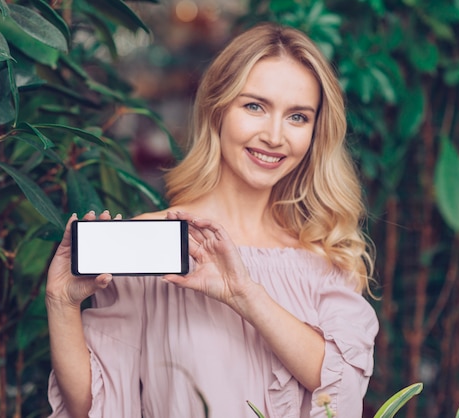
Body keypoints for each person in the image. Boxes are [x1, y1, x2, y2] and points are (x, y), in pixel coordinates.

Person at [45, 22, 379, 418]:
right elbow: (95, 406)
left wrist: (245, 294)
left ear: (314, 132)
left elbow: (342, 388)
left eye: (298, 117)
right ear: (217, 109)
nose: (275, 136)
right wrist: (61, 304)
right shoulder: (155, 242)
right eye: (254, 106)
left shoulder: (321, 252)